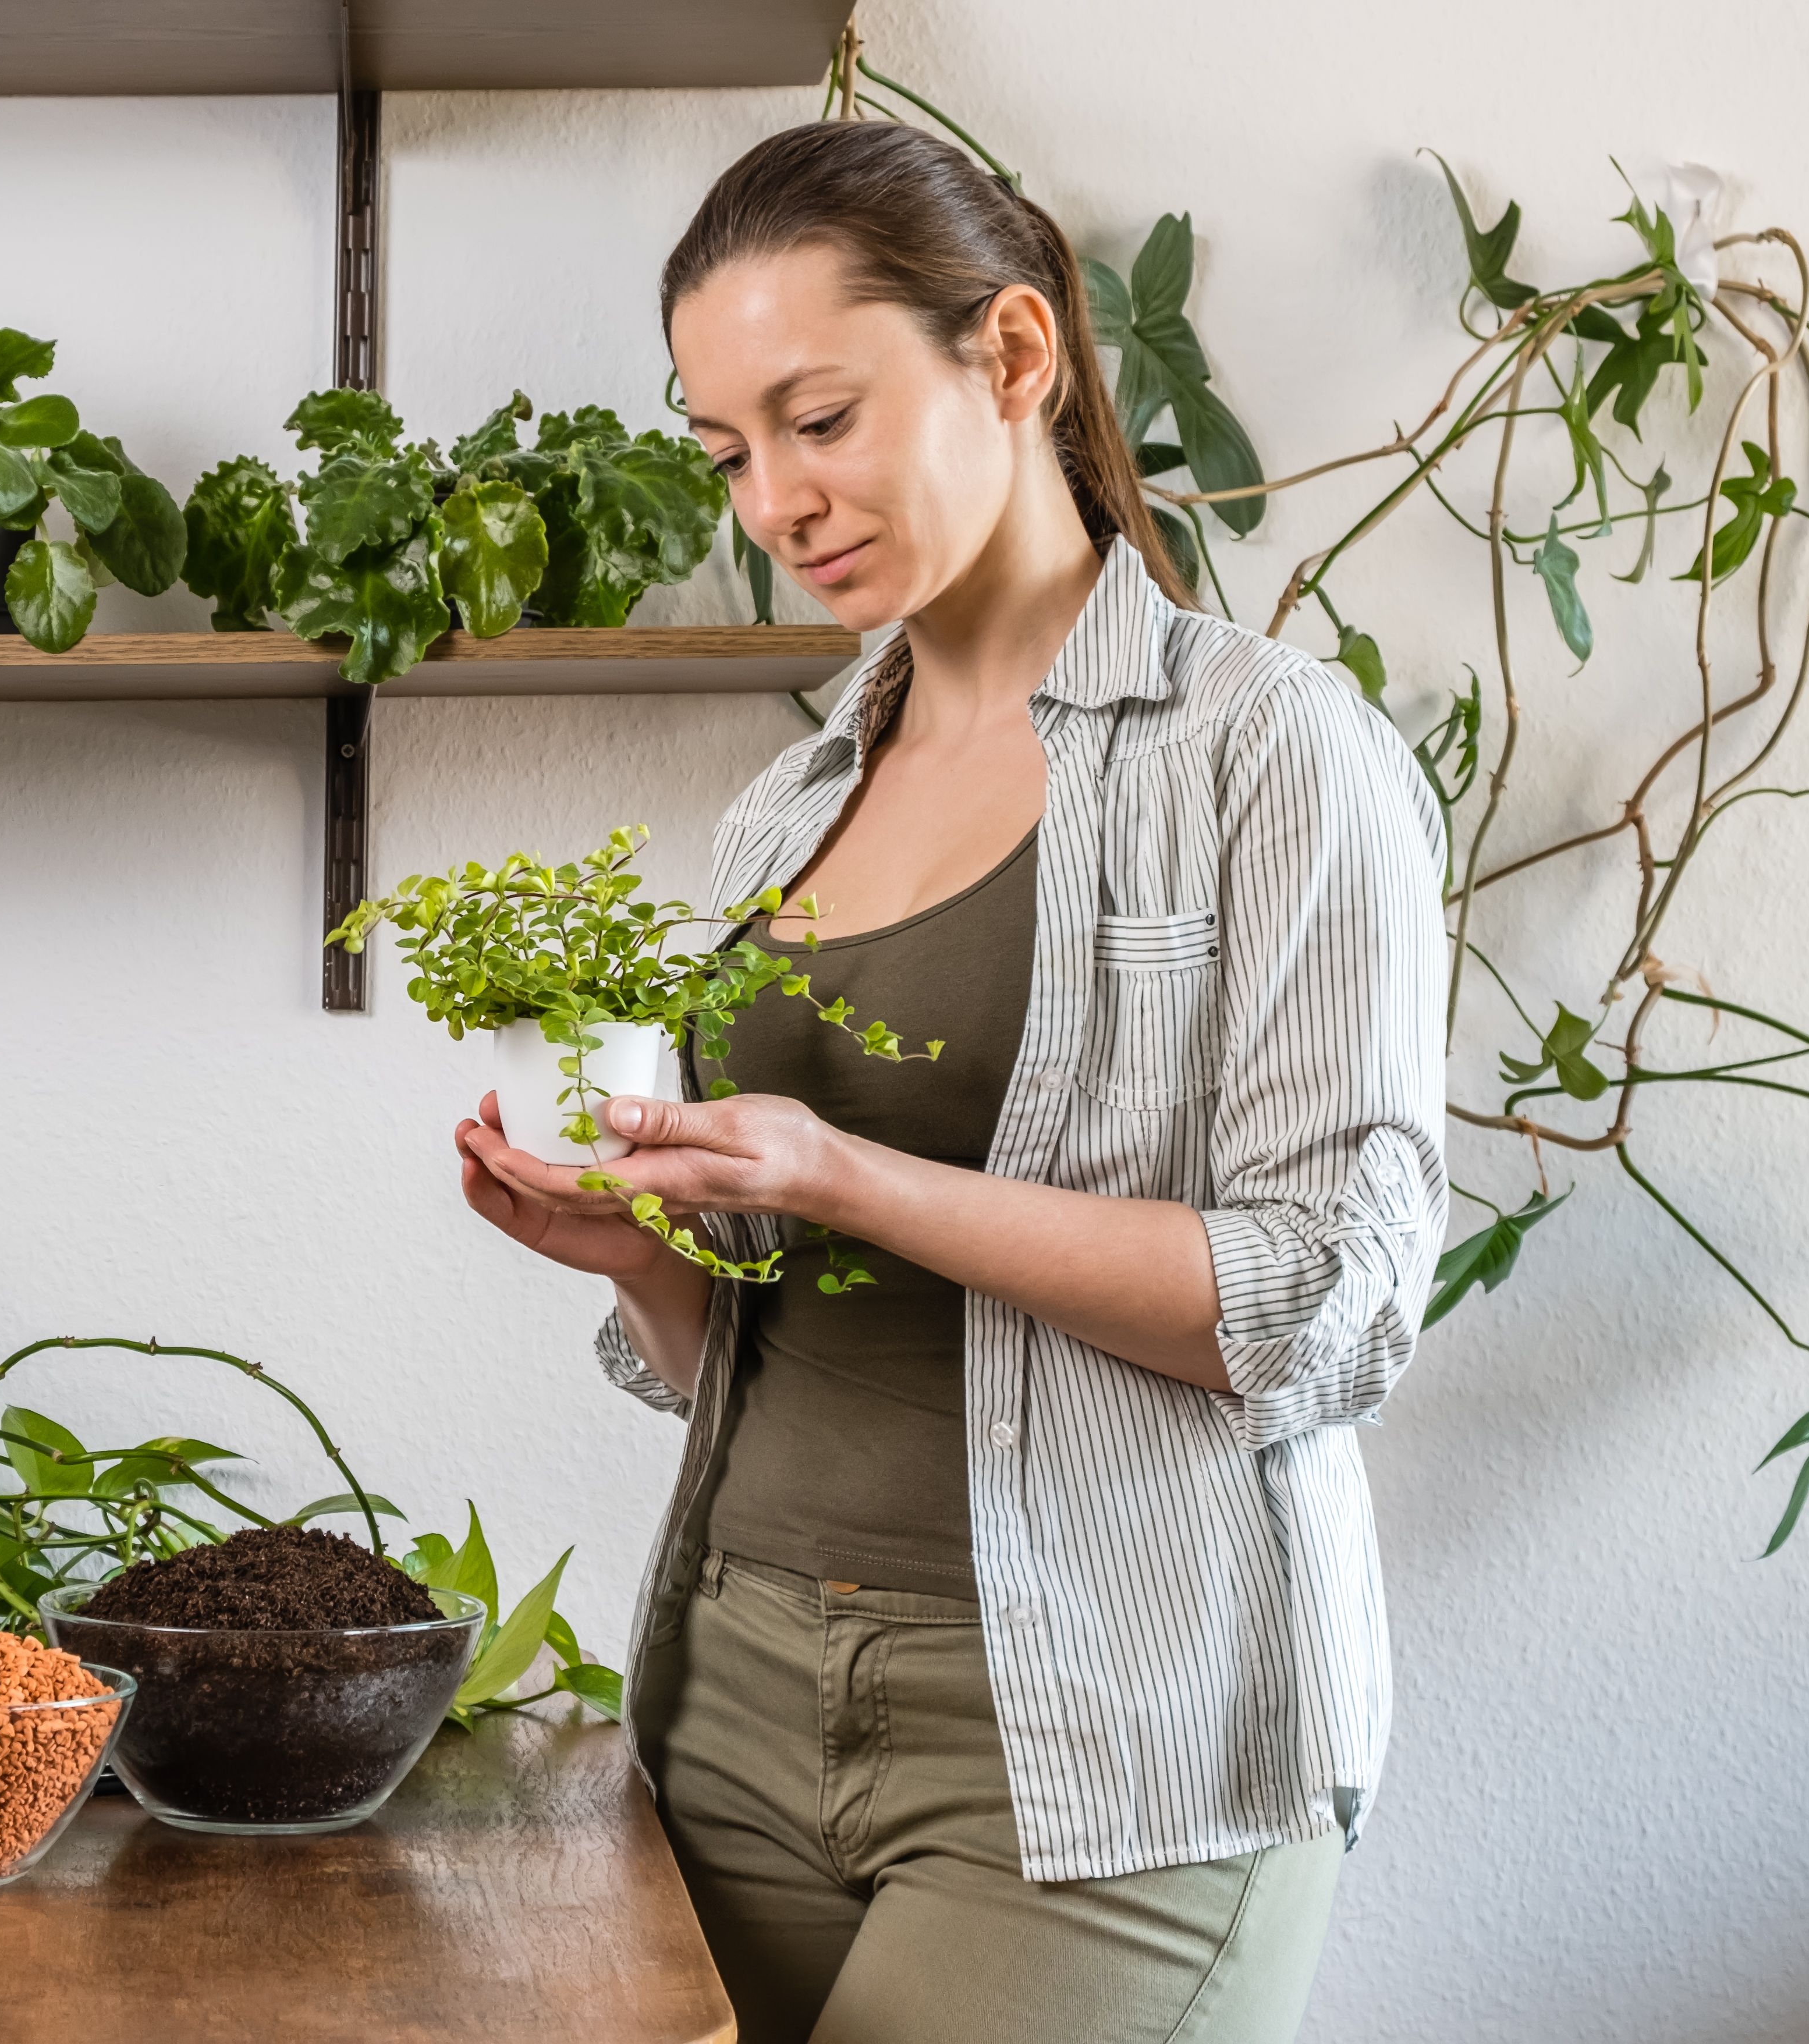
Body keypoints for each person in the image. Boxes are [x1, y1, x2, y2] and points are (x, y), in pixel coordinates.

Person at [451, 120, 1448, 2044]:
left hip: (1106, 1738)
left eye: (819, 419)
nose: (777, 502)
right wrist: (642, 1255)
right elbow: (765, 1345)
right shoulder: (787, 805)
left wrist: (854, 1178)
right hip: (734, 1700)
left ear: (1011, 357)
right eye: (732, 452)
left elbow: (1336, 1302)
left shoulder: (1268, 755)